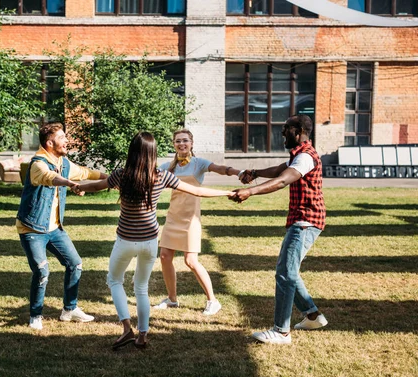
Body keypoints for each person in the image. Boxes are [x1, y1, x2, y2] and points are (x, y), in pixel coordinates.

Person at [75, 132, 234, 350]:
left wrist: (78, 186)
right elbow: (197, 191)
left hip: (125, 239)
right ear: (153, 153)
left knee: (114, 281)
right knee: (141, 287)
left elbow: (97, 186)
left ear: (132, 151)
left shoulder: (121, 175)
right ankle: (142, 335)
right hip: (149, 240)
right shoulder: (162, 175)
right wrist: (227, 193)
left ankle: (126, 328)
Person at [230, 114, 328, 344]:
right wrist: (255, 173)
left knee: (285, 273)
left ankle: (281, 332)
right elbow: (279, 169)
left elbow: (283, 179)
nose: (282, 132)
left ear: (299, 131)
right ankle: (313, 315)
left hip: (305, 221)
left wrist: (250, 191)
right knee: (288, 270)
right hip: (303, 220)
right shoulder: (300, 155)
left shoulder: (305, 157)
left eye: (286, 128)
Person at [17, 123, 108, 331]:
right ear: (50, 143)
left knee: (75, 264)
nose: (67, 141)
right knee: (42, 272)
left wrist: (108, 178)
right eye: (62, 138)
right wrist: (70, 184)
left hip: (54, 228)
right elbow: (50, 178)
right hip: (32, 228)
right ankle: (35, 315)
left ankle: (69, 310)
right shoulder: (37, 164)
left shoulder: (63, 162)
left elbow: (85, 173)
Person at [154, 129, 242, 315]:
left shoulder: (198, 163)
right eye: (178, 141)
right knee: (164, 256)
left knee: (191, 260)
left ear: (192, 143)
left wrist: (239, 172)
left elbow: (220, 168)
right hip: (173, 217)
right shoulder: (167, 166)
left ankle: (213, 301)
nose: (181, 144)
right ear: (173, 144)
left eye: (185, 140)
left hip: (191, 219)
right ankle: (172, 299)